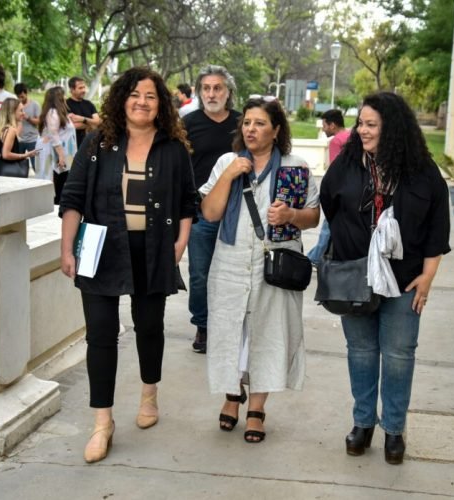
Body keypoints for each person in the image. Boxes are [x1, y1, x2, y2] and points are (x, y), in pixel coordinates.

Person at [58, 67, 196, 463]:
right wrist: (68, 249)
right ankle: (103, 422)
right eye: (135, 94)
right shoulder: (99, 143)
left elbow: (187, 201)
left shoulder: (172, 148)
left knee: (149, 326)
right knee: (100, 334)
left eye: (151, 96)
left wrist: (181, 242)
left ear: (161, 104)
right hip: (101, 248)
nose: (142, 101)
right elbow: (73, 197)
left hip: (152, 248)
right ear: (122, 99)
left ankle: (149, 394)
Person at [319, 92, 450, 465]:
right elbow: (330, 207)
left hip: (405, 280)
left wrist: (427, 277)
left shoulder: (422, 173)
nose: (361, 130)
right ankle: (363, 423)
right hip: (354, 276)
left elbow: (437, 228)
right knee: (360, 353)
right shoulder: (346, 166)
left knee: (397, 356)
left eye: (370, 124)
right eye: (360, 123)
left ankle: (394, 428)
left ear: (392, 128)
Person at [200, 98, 320, 443]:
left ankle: (257, 408)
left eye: (260, 123)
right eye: (247, 123)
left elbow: (313, 215)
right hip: (230, 261)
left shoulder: (295, 167)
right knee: (230, 331)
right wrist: (229, 175)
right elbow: (209, 212)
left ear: (276, 130)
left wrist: (291, 217)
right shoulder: (228, 161)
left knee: (268, 333)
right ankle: (231, 396)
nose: (251, 129)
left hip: (276, 263)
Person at [183, 65, 241, 354]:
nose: (211, 93)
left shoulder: (244, 123)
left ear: (228, 92)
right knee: (200, 273)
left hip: (239, 211)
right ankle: (203, 325)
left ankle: (234, 327)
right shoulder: (187, 124)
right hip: (200, 212)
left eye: (217, 88)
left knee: (236, 272)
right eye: (206, 88)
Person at [307, 109, 351, 264]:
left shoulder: (336, 141)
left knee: (327, 226)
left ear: (332, 125)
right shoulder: (351, 136)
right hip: (352, 190)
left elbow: (334, 170)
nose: (324, 129)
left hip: (339, 191)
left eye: (324, 125)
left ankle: (314, 258)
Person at [36, 86, 77, 203]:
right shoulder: (53, 113)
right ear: (58, 98)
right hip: (55, 154)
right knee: (57, 184)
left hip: (61, 153)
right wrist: (61, 156)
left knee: (61, 183)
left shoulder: (57, 113)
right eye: (63, 95)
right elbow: (54, 135)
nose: (65, 97)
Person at [64, 77, 101, 201]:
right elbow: (66, 126)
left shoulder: (88, 104)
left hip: (89, 146)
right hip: (70, 148)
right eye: (80, 88)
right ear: (72, 89)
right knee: (72, 176)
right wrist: (89, 123)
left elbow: (99, 122)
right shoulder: (66, 105)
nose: (83, 90)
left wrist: (82, 119)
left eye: (84, 87)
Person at [0, 97, 38, 168]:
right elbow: (6, 154)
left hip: (0, 170)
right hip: (9, 172)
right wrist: (25, 155)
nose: (23, 113)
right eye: (21, 110)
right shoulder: (11, 130)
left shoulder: (1, 128)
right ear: (12, 112)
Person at [14, 83, 40, 172]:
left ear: (26, 93)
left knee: (35, 165)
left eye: (22, 96)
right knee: (18, 165)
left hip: (32, 139)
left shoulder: (35, 105)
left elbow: (39, 121)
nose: (20, 99)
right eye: (18, 97)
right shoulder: (15, 105)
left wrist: (27, 118)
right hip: (19, 139)